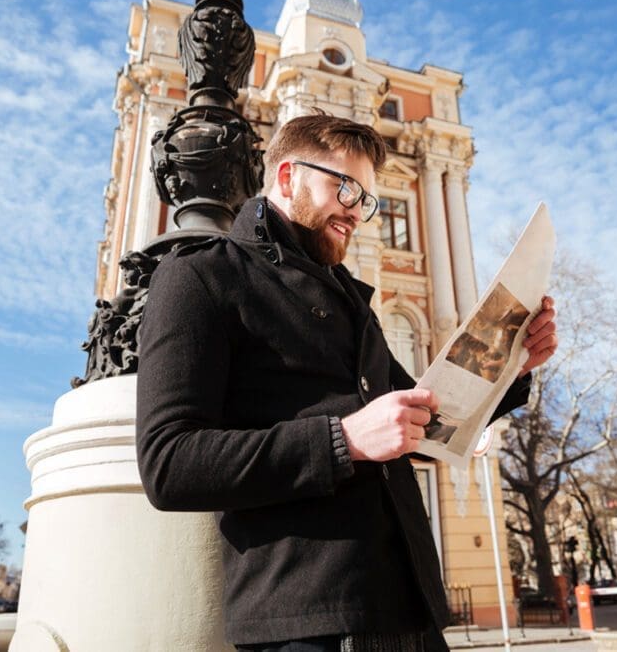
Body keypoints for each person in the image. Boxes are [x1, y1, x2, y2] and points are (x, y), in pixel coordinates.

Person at [136, 114, 558, 651]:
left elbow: (429, 422)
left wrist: (510, 369)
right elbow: (169, 464)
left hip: (413, 613)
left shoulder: (353, 302)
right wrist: (344, 438)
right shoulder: (201, 276)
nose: (358, 212)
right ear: (288, 177)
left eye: (368, 200)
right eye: (347, 188)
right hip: (309, 620)